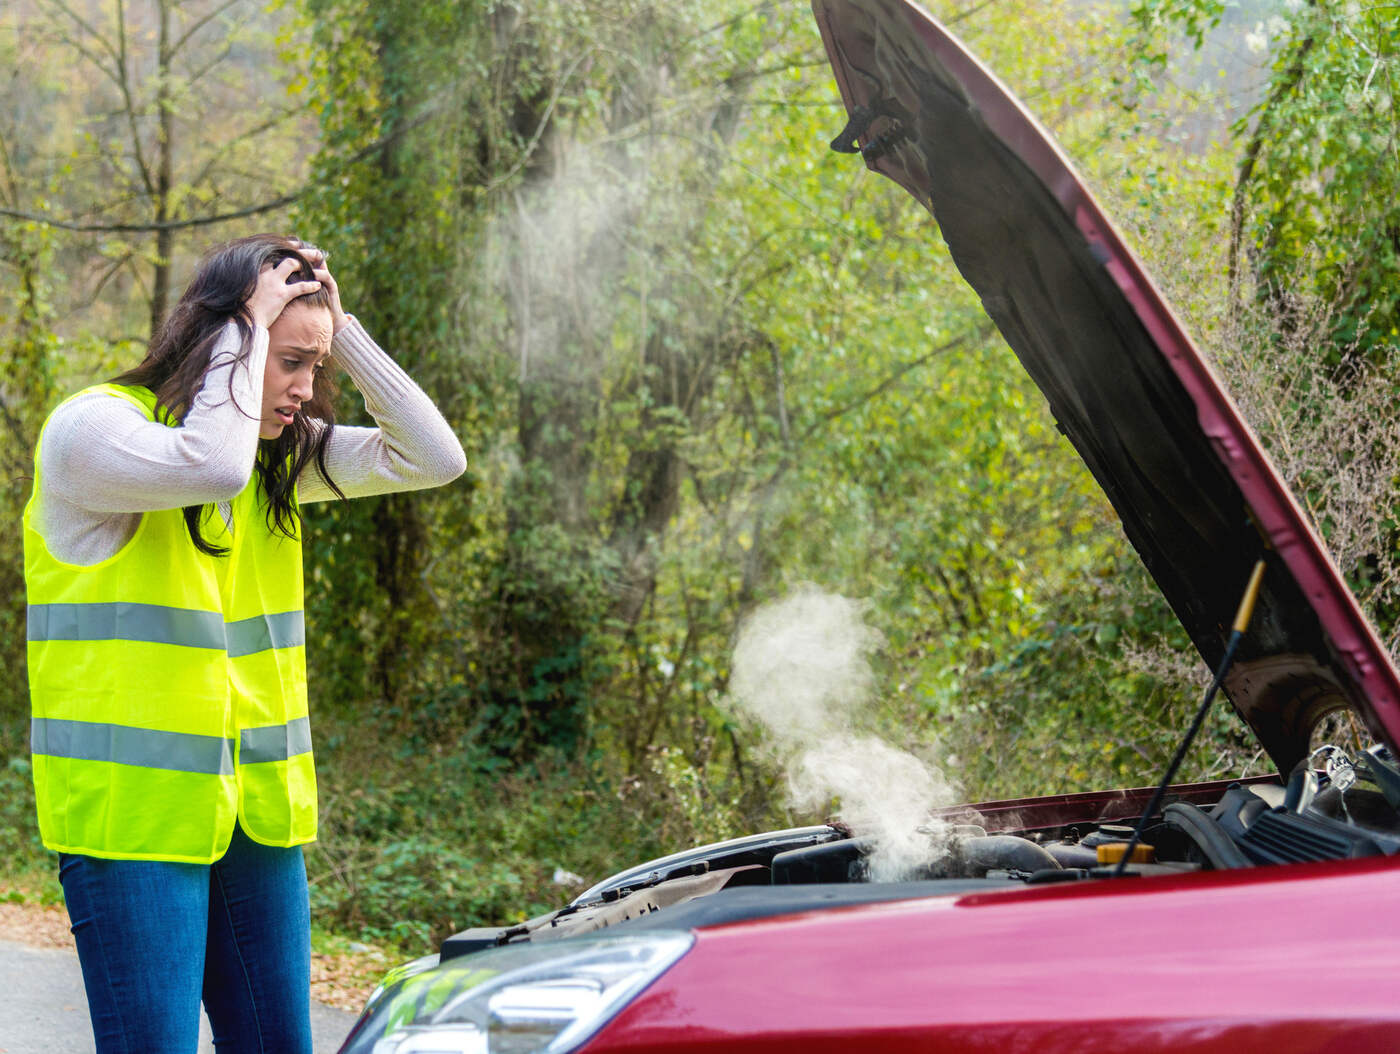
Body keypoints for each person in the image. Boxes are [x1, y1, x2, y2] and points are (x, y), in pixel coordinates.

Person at [22, 233, 466, 1052]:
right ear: (227, 338)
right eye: (289, 363)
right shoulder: (93, 434)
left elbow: (434, 456)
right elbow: (208, 464)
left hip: (254, 817)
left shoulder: (275, 461)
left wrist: (340, 326)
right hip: (135, 826)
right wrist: (246, 324)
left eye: (315, 368)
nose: (305, 392)